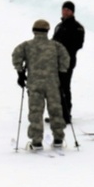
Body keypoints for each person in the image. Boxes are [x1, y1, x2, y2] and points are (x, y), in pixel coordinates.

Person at [12, 19, 71, 150]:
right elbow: (65, 58)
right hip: (52, 84)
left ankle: (37, 141)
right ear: (48, 31)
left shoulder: (26, 46)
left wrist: (20, 73)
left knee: (36, 112)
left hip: (34, 84)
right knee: (56, 110)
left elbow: (16, 55)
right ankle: (58, 139)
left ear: (34, 30)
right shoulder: (56, 46)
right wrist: (61, 73)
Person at [52, 0, 85, 124]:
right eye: (63, 9)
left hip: (67, 61)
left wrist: (62, 50)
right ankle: (57, 113)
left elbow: (78, 44)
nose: (65, 11)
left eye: (68, 10)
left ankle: (66, 114)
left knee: (64, 86)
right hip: (55, 61)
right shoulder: (59, 26)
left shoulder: (77, 27)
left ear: (72, 12)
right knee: (55, 87)